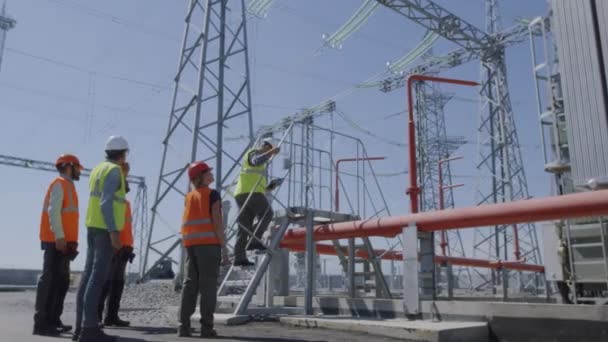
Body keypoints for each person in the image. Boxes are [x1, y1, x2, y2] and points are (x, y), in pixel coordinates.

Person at [73, 135, 129, 342]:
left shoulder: (97, 169)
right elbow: (106, 203)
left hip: (92, 226)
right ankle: (89, 329)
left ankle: (79, 329)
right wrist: (114, 232)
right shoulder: (114, 171)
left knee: (88, 277)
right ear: (123, 154)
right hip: (105, 229)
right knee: (97, 279)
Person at [177, 161, 229, 338]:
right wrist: (224, 249)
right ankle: (207, 328)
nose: (211, 174)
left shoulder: (189, 196)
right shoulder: (212, 194)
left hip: (191, 246)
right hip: (209, 245)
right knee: (208, 287)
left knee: (189, 285)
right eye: (208, 172)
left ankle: (183, 327)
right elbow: (217, 222)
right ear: (201, 176)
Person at [33, 154, 83, 336]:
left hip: (64, 242)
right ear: (69, 166)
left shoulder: (68, 185)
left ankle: (54, 320)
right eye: (77, 167)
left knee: (61, 282)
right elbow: (53, 212)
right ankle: (42, 324)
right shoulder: (60, 184)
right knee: (50, 281)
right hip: (55, 241)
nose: (79, 171)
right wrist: (60, 237)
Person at [98, 162, 135, 327]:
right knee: (106, 282)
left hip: (125, 246)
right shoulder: (113, 203)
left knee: (118, 284)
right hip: (115, 245)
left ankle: (111, 316)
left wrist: (129, 245)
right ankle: (97, 317)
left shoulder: (126, 205)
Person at [233, 138, 280, 267]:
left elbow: (254, 180)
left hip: (243, 193)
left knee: (243, 227)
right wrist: (271, 152)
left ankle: (239, 257)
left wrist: (270, 187)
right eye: (267, 147)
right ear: (265, 146)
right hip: (251, 193)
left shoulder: (260, 159)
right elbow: (255, 161)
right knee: (267, 214)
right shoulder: (254, 153)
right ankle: (254, 240)